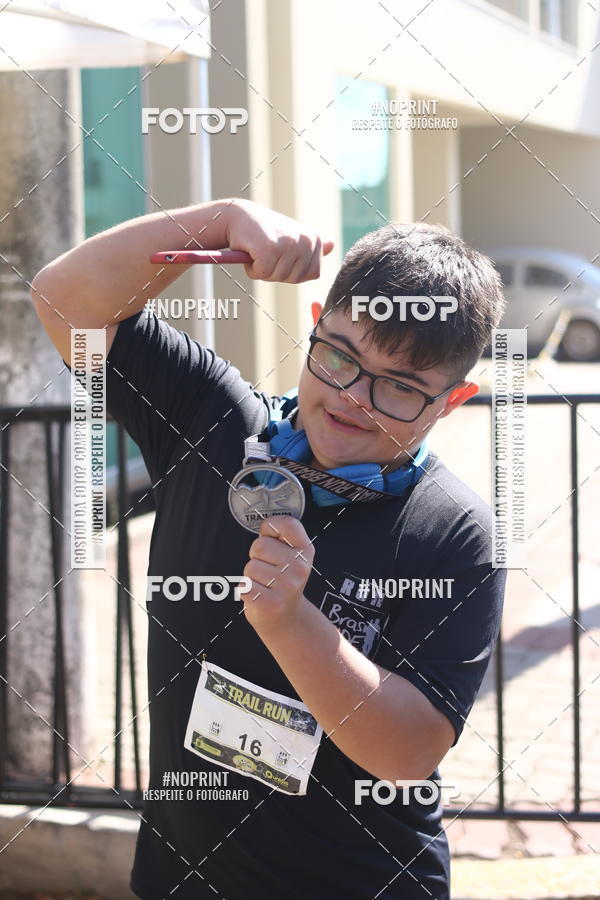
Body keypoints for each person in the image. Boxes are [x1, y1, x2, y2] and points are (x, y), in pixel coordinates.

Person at [31, 197, 507, 900]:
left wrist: (292, 623)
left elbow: (407, 755)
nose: (355, 397)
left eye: (401, 387)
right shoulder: (214, 421)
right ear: (316, 328)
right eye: (340, 356)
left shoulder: (453, 529)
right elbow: (65, 299)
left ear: (452, 400)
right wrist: (221, 220)